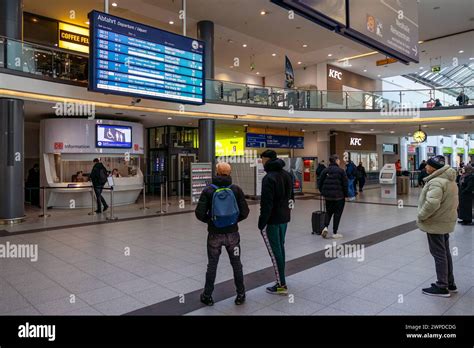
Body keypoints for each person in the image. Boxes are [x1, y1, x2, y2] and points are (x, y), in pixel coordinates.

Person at [195, 162, 249, 306]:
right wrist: (233, 221)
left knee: (212, 265)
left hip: (214, 235)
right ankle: (241, 294)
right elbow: (245, 212)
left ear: (216, 173)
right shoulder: (236, 189)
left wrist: (211, 221)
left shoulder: (208, 190)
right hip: (233, 235)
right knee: (236, 264)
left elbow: (199, 214)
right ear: (230, 173)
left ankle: (207, 296)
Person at [417, 155, 458, 297]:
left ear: (433, 167)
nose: (425, 167)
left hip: (435, 222)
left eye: (427, 165)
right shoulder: (449, 180)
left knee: (439, 254)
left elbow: (432, 203)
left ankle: (442, 286)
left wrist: (421, 215)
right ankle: (449, 282)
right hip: (444, 221)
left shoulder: (436, 182)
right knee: (445, 252)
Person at [258, 150, 294, 296]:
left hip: (272, 220)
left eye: (262, 159)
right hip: (284, 218)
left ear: (267, 160)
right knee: (280, 248)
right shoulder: (287, 175)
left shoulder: (269, 178)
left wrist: (262, 222)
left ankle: (281, 285)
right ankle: (282, 279)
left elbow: (266, 204)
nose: (261, 162)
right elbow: (292, 197)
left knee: (275, 252)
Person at [318, 154, 349, 239]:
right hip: (339, 197)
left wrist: (324, 192)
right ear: (335, 161)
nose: (339, 161)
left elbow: (319, 183)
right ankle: (335, 232)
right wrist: (346, 195)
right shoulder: (341, 171)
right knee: (337, 214)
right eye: (338, 160)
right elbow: (345, 184)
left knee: (328, 212)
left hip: (328, 197)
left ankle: (325, 227)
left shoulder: (325, 170)